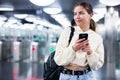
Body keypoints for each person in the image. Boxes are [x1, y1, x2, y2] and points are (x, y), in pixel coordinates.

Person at [54, 2, 104, 80]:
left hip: (87, 76)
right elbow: (58, 60)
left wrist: (90, 53)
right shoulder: (68, 32)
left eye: (81, 13)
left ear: (90, 15)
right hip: (67, 76)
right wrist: (73, 48)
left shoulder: (97, 38)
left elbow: (96, 66)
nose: (77, 17)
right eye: (75, 14)